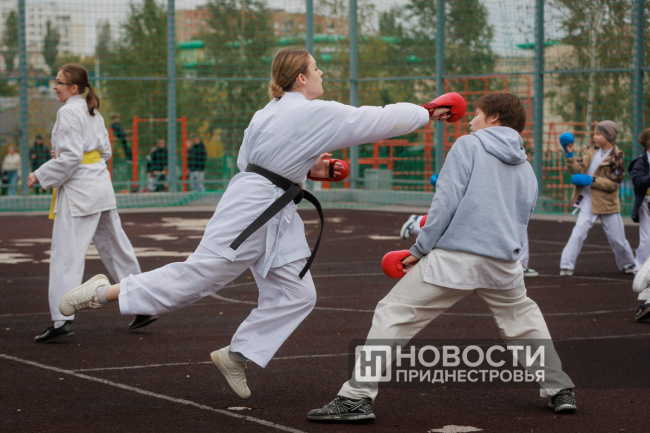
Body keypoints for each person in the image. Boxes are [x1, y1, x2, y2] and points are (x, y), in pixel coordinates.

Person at [56, 48, 455, 399]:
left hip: (273, 208)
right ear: (301, 78)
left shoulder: (269, 113)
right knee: (198, 277)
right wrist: (427, 110)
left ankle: (237, 354)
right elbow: (375, 119)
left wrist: (311, 169)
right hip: (253, 209)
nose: (321, 73)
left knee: (297, 294)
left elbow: (253, 161)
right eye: (316, 68)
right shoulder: (312, 111)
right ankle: (101, 293)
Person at [308, 92, 576, 422]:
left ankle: (355, 396)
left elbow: (445, 203)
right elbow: (524, 215)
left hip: (455, 258)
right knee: (524, 322)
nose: (471, 121)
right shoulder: (526, 165)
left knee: (394, 313)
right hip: (505, 263)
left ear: (493, 118)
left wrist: (418, 250)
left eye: (476, 114)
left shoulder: (468, 145)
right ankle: (560, 388)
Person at [26, 63, 158, 343]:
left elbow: (72, 158)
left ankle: (62, 319)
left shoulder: (67, 112)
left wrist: (40, 174)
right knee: (117, 248)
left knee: (66, 255)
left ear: (73, 87)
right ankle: (143, 305)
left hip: (80, 193)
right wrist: (69, 155)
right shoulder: (92, 111)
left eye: (59, 82)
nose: (55, 87)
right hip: (100, 187)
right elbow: (104, 152)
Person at [558, 121, 634, 276]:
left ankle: (628, 264)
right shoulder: (590, 152)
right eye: (594, 133)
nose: (594, 136)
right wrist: (569, 154)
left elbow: (613, 184)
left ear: (608, 136)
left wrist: (591, 180)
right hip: (588, 200)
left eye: (598, 134)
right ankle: (566, 265)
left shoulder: (617, 158)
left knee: (617, 239)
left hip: (607, 203)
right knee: (579, 231)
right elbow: (576, 169)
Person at [628, 128, 650, 321]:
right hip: (645, 204)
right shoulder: (640, 162)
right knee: (647, 239)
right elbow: (638, 181)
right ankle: (639, 269)